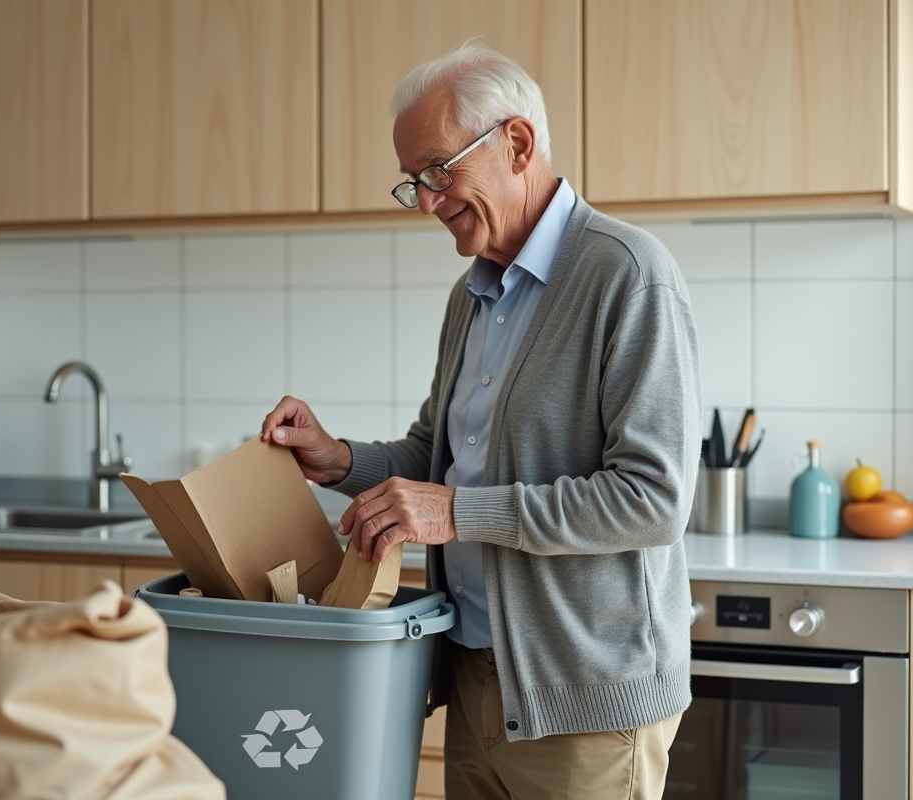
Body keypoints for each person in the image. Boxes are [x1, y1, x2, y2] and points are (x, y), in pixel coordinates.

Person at [261, 42, 700, 800]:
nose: (427, 201)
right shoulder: (470, 297)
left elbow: (653, 501)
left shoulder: (627, 273)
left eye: (438, 170)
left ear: (517, 143)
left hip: (581, 702)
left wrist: (459, 513)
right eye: (414, 183)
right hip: (469, 678)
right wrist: (338, 460)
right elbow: (439, 456)